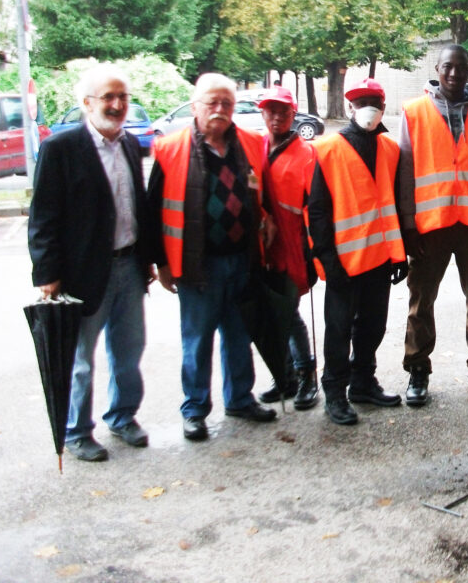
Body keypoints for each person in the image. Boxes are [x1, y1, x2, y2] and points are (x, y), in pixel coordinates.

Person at [28, 66, 153, 462]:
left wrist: (147, 259)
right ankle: (77, 431)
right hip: (82, 274)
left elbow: (139, 208)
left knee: (129, 350)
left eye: (122, 97)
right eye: (107, 98)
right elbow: (43, 217)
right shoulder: (60, 150)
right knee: (80, 360)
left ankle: (122, 416)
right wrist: (47, 274)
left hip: (130, 267)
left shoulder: (131, 145)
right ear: (86, 103)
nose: (116, 105)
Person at [148, 73, 276, 442]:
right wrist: (162, 263)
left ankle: (239, 398)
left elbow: (259, 195)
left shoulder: (251, 143)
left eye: (226, 103)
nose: (219, 109)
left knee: (239, 335)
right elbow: (154, 210)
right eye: (211, 103)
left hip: (242, 259)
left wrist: (265, 219)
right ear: (195, 107)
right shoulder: (170, 149)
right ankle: (194, 410)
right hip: (197, 265)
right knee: (197, 340)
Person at [397, 44, 468, 405]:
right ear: (436, 69)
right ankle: (418, 371)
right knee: (420, 301)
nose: (455, 74)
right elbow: (406, 172)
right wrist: (408, 226)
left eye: (462, 67)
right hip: (430, 226)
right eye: (448, 67)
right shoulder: (414, 112)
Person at [308, 78, 408, 426]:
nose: (369, 108)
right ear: (350, 107)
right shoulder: (328, 149)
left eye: (375, 102)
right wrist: (326, 259)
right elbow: (317, 210)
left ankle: (363, 382)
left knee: (372, 327)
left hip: (379, 258)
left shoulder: (390, 149)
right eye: (362, 101)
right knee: (337, 331)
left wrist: (399, 254)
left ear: (383, 107)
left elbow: (392, 203)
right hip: (343, 262)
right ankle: (334, 391)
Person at [255, 86, 319, 411]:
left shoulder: (307, 153)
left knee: (289, 311)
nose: (276, 116)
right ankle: (284, 375)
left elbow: (316, 205)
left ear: (293, 114)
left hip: (293, 244)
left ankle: (305, 372)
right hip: (261, 245)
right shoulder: (255, 147)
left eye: (283, 110)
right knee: (268, 312)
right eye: (270, 109)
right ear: (262, 112)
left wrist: (313, 251)